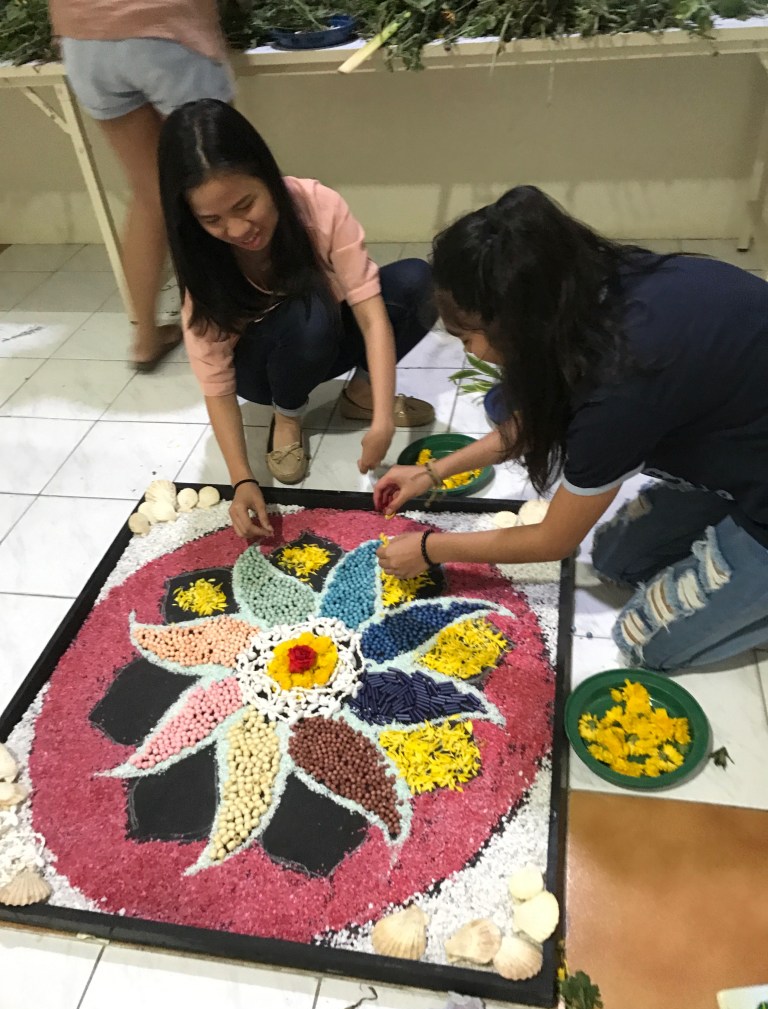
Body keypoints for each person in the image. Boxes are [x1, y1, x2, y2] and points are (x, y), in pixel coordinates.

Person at [374, 185, 768, 672]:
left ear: (519, 323)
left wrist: (431, 549)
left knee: (643, 641)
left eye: (468, 337)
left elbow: (553, 540)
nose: (470, 353)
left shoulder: (618, 388)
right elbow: (538, 418)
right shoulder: (582, 287)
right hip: (743, 432)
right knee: (615, 561)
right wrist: (431, 473)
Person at [158, 99, 436, 526]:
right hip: (262, 370)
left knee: (418, 281)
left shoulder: (317, 205)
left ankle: (360, 396)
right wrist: (242, 479)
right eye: (212, 219)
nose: (238, 230)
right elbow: (216, 384)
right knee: (310, 313)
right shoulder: (203, 262)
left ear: (268, 177)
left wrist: (381, 418)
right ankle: (287, 417)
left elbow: (371, 314)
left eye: (245, 205)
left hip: (322, 336)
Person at [49, 0, 235, 369]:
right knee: (218, 188)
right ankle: (230, 329)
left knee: (149, 194)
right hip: (166, 31)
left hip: (84, 42)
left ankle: (146, 339)